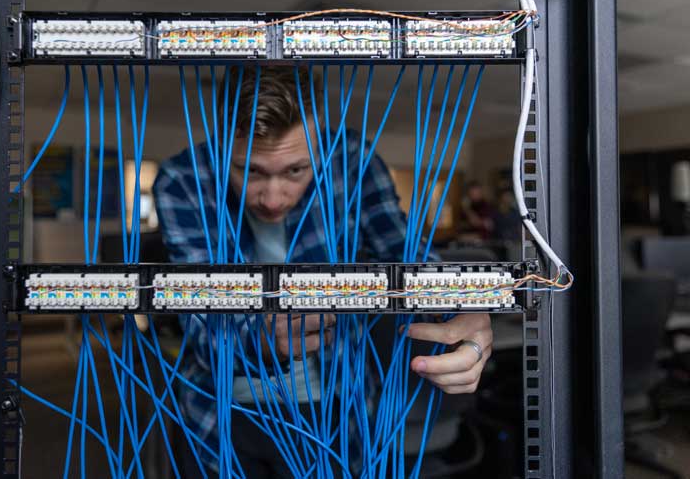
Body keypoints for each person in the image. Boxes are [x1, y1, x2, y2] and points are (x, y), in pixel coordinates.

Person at [154, 66, 493, 477]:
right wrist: (259, 340)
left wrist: (464, 307)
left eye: (296, 170)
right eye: (250, 171)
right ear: (223, 142)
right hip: (219, 413)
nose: (272, 197)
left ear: (319, 141)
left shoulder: (350, 158)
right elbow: (198, 322)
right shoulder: (183, 178)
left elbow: (404, 251)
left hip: (337, 408)